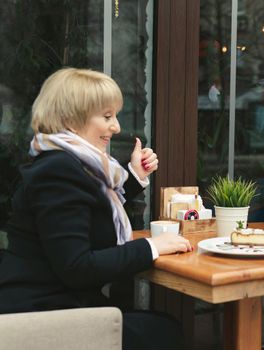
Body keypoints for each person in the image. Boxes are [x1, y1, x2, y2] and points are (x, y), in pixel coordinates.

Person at [0, 68, 192, 350]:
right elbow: (77, 268)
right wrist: (150, 247)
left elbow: (87, 209)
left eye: (115, 115)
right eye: (106, 116)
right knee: (164, 331)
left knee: (162, 326)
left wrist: (135, 175)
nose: (116, 127)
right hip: (39, 316)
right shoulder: (59, 171)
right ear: (70, 119)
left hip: (55, 303)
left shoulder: (65, 163)